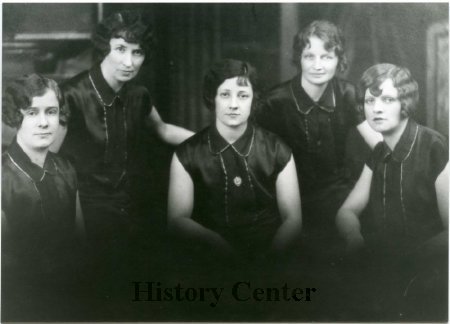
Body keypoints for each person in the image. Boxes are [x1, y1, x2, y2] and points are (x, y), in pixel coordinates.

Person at [57, 11, 194, 257]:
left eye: (137, 52)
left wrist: (212, 140)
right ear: (103, 48)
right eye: (120, 49)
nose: (129, 62)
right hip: (82, 213)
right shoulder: (70, 95)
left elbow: (162, 130)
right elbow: (49, 163)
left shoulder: (138, 95)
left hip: (130, 210)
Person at [255, 20, 382, 256]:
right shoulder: (274, 101)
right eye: (309, 56)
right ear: (299, 59)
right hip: (286, 199)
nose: (317, 65)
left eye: (326, 56)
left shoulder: (346, 93)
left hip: (337, 194)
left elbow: (378, 142)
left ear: (339, 60)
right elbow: (241, 141)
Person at [336, 63, 448, 320]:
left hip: (429, 274)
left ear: (405, 102)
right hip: (386, 268)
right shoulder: (378, 152)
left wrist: (408, 263)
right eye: (369, 100)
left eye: (387, 99)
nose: (376, 108)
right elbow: (347, 211)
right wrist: (354, 237)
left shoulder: (433, 146)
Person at [168, 59, 302, 263]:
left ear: (254, 100)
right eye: (224, 95)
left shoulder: (277, 149)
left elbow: (293, 220)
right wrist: (216, 244)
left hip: (269, 257)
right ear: (212, 98)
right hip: (210, 258)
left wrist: (270, 260)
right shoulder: (187, 153)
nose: (233, 104)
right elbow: (177, 220)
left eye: (242, 95)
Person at [2, 75, 86, 320]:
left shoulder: (68, 168)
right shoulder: (2, 177)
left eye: (51, 112)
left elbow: (81, 241)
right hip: (19, 305)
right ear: (15, 116)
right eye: (31, 112)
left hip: (70, 300)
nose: (43, 122)